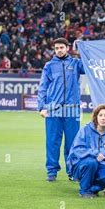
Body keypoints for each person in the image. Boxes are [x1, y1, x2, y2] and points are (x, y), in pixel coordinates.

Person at [37, 37, 85, 182]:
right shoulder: (49, 66)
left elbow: (89, 66)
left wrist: (83, 49)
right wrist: (42, 107)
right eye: (56, 48)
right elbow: (43, 87)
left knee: (72, 143)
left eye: (61, 48)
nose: (59, 50)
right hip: (53, 110)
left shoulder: (76, 63)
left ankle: (72, 171)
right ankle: (52, 172)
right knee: (52, 142)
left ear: (67, 48)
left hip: (72, 109)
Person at [67, 104, 105, 198]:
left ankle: (92, 190)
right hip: (79, 165)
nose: (103, 118)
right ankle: (84, 191)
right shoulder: (85, 130)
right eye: (100, 115)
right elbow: (77, 149)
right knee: (92, 162)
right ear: (96, 117)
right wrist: (95, 154)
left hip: (98, 167)